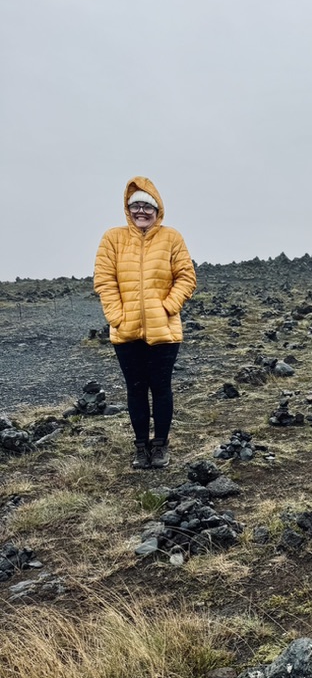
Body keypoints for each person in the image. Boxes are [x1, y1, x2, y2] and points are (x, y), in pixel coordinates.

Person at [94, 177, 196, 469]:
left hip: (164, 331)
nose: (141, 211)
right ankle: (141, 448)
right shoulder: (112, 238)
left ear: (157, 209)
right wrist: (117, 316)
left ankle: (160, 445)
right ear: (128, 209)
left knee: (161, 387)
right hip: (126, 332)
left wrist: (168, 307)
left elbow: (186, 278)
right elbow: (104, 280)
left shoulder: (171, 238)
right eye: (135, 205)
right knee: (135, 389)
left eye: (147, 206)